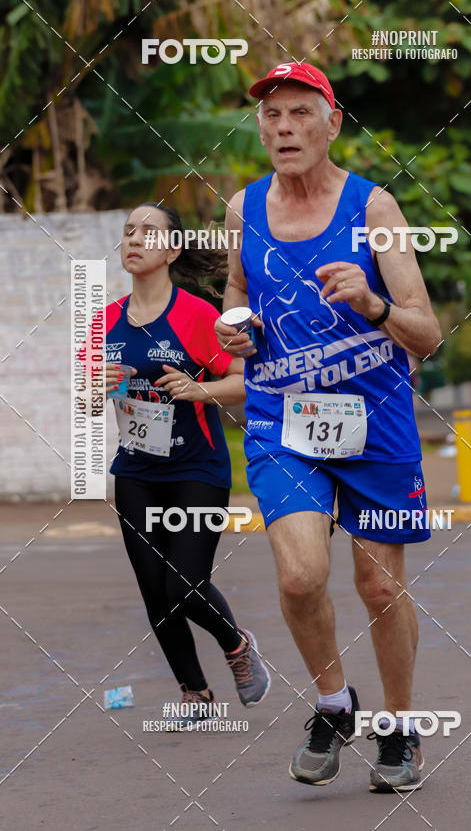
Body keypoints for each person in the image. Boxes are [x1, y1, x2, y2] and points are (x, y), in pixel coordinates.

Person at [215, 63, 442, 791]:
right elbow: (237, 294)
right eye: (272, 115)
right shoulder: (241, 210)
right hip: (282, 418)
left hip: (374, 421)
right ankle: (334, 702)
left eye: (300, 114)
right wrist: (237, 333)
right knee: (300, 573)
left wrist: (373, 306)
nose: (283, 127)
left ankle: (400, 731)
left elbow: (427, 333)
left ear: (332, 122)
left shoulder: (374, 209)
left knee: (379, 588)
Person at [88, 202, 270, 713]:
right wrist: (94, 388)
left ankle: (237, 646)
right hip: (136, 471)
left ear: (172, 250)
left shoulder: (195, 315)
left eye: (148, 232)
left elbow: (243, 383)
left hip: (197, 468)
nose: (134, 239)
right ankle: (195, 693)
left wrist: (198, 390)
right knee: (155, 592)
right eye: (127, 232)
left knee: (183, 583)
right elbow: (82, 400)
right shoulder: (104, 321)